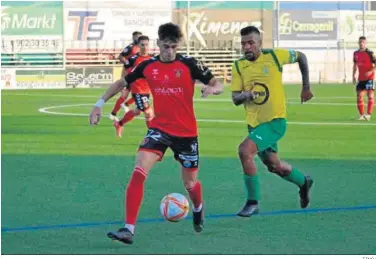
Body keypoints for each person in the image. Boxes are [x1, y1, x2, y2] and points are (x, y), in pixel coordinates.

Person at [89, 22, 223, 244]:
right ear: (158, 43)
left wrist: (212, 88)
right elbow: (122, 82)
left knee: (190, 183)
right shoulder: (147, 66)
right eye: (166, 46)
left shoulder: (190, 64)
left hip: (186, 133)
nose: (170, 51)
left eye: (174, 46)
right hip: (159, 129)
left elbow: (217, 83)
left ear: (177, 45)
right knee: (139, 168)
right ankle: (128, 229)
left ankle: (198, 208)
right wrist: (99, 104)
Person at [230, 26, 314, 217]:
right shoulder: (238, 66)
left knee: (245, 151)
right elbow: (235, 99)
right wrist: (246, 95)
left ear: (260, 43)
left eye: (251, 42)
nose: (247, 47)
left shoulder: (275, 56)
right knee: (273, 165)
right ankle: (303, 182)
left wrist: (306, 87)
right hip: (255, 125)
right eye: (243, 44)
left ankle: (252, 202)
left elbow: (301, 56)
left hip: (275, 122)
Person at [112, 35, 154, 136]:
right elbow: (125, 71)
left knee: (137, 111)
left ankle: (119, 123)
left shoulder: (152, 58)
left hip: (147, 90)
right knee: (148, 111)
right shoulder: (133, 59)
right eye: (142, 45)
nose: (145, 47)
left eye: (146, 44)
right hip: (137, 89)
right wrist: (124, 85)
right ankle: (152, 134)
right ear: (138, 46)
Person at [353, 36, 376, 121]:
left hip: (370, 78)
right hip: (361, 79)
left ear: (365, 43)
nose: (361, 43)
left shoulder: (370, 53)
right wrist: (353, 75)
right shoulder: (355, 53)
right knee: (359, 96)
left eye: (363, 42)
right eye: (360, 42)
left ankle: (368, 114)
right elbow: (355, 65)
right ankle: (362, 115)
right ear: (358, 43)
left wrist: (371, 71)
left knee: (370, 96)